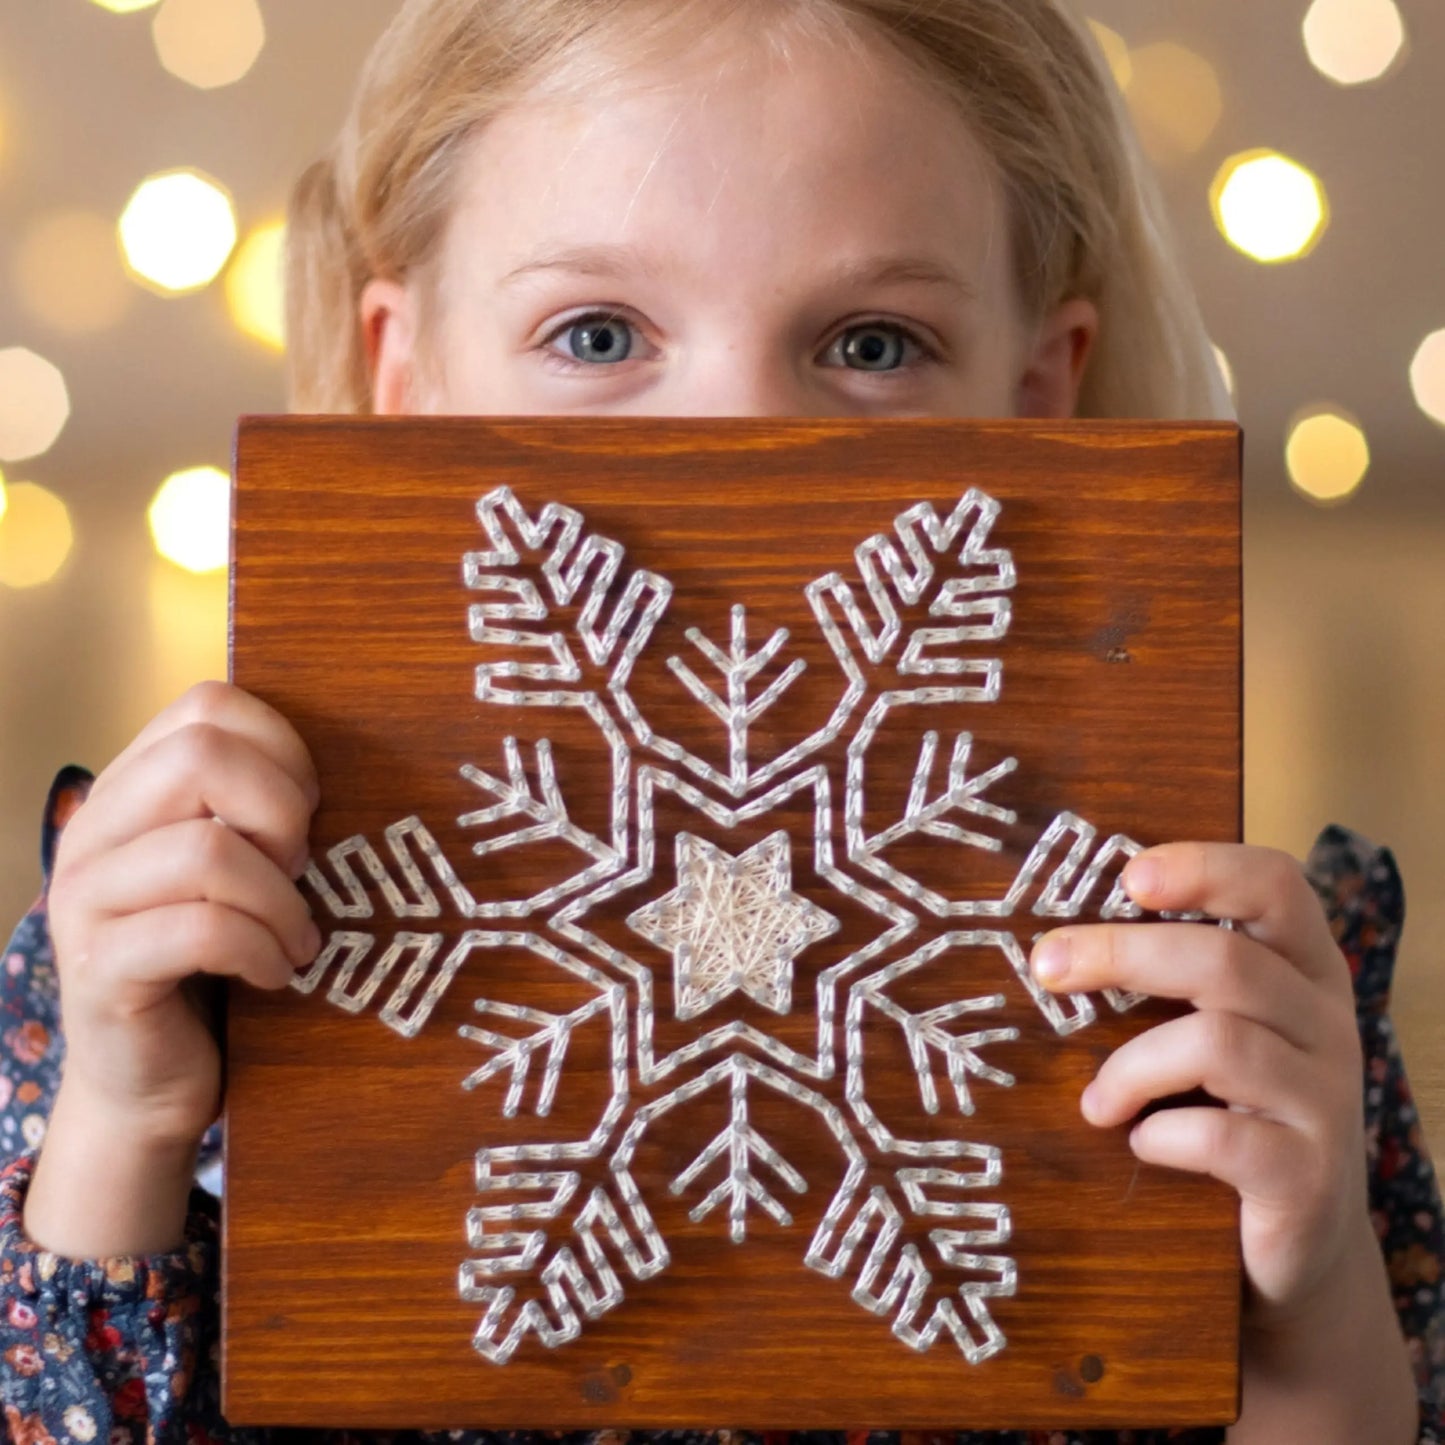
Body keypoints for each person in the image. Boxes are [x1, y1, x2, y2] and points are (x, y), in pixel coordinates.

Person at [0, 0, 1440, 1441]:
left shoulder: (1226, 1003)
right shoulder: (178, 953)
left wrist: (1307, 1309)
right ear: (406, 375)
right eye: (599, 330)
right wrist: (122, 1126)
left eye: (871, 343)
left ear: (1036, 391)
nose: (742, 432)